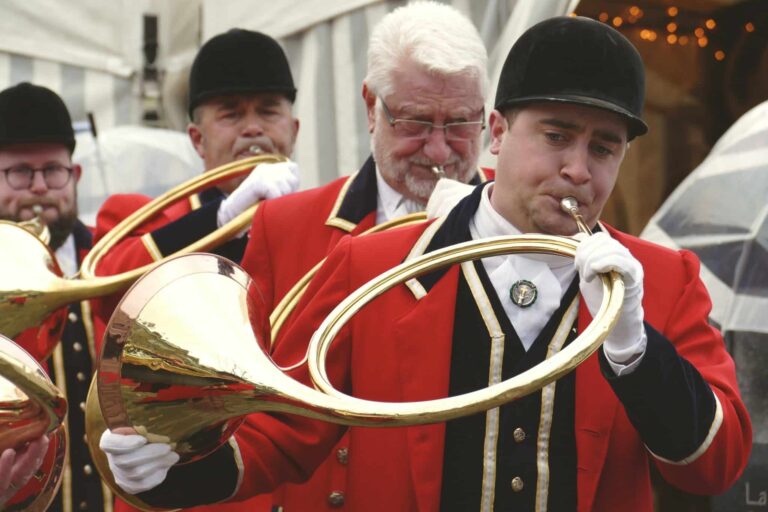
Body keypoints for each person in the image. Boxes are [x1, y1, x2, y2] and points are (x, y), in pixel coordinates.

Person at [100, 16, 752, 511]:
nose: (578, 169)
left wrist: (641, 355)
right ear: (497, 133)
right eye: (555, 136)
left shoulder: (661, 282)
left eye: (604, 148)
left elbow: (715, 467)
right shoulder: (372, 264)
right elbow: (283, 431)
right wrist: (171, 470)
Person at [90, 29, 301, 512]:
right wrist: (222, 218)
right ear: (196, 138)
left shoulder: (327, 230)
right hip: (183, 494)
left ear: (294, 127)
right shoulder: (138, 218)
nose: (252, 128)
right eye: (230, 113)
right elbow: (105, 290)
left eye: (268, 109)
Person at [0, 82, 111, 511]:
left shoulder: (111, 258)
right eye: (20, 172)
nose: (40, 187)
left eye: (53, 170)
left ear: (75, 175)